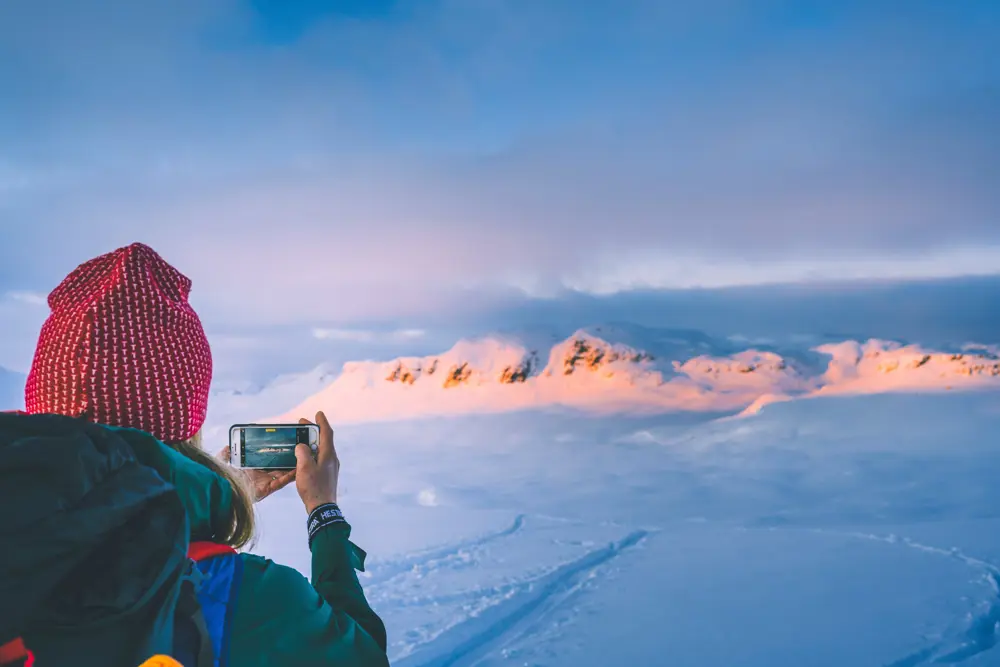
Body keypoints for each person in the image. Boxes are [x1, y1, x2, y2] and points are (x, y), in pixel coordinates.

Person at [10, 242, 388, 666]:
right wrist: (324, 514)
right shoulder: (246, 599)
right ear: (186, 427)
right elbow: (364, 656)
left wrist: (213, 495)